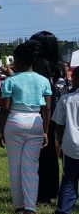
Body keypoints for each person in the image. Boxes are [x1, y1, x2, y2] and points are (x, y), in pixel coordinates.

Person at [0, 42, 52, 214]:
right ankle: (30, 208)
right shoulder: (44, 80)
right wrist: (45, 131)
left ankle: (19, 207)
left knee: (15, 167)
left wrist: (0, 131)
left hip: (14, 121)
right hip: (36, 122)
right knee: (31, 168)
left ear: (17, 61)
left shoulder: (10, 81)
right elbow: (47, 109)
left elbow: (5, 108)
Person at [29, 31, 65, 204]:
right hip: (57, 113)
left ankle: (42, 192)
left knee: (41, 153)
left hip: (43, 112)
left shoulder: (39, 64)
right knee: (51, 153)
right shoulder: (58, 64)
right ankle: (51, 190)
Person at [53, 68, 79, 214]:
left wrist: (58, 146)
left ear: (75, 79)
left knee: (69, 180)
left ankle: (62, 213)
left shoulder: (66, 99)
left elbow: (59, 127)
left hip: (71, 147)